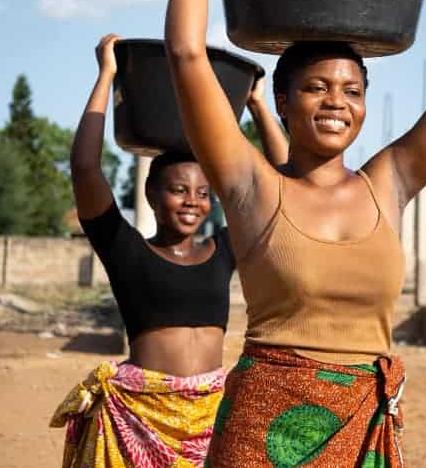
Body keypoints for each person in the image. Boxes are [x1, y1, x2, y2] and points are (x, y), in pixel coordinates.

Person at [164, 0, 426, 466]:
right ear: (282, 101)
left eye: (351, 90)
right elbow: (187, 55)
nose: (335, 102)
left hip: (362, 429)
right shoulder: (252, 185)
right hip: (263, 431)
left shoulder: (389, 183)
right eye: (316, 88)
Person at [49, 33, 288, 468]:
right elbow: (85, 167)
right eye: (178, 190)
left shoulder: (224, 249)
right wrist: (108, 75)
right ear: (152, 195)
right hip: (140, 416)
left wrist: (256, 104)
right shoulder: (126, 251)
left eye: (202, 192)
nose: (193, 202)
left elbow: (284, 184)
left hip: (211, 416)